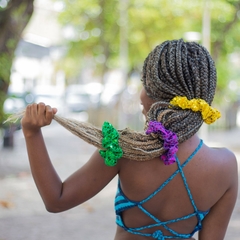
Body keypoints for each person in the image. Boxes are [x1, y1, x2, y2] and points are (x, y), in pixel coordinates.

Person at [20, 39, 238, 240]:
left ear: (153, 94)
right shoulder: (225, 166)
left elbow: (56, 200)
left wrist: (32, 134)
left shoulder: (123, 149)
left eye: (145, 83)